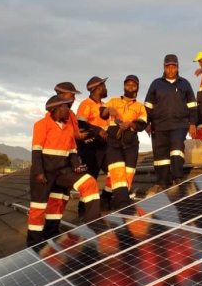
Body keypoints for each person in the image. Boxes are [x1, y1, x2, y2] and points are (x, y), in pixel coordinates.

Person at [27, 95, 101, 247]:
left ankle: (94, 224)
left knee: (89, 183)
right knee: (38, 208)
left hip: (63, 170)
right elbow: (36, 151)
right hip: (45, 171)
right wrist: (38, 172)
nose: (69, 110)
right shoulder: (41, 124)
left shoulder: (68, 127)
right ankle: (34, 243)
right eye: (66, 107)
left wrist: (76, 166)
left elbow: (73, 151)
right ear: (57, 109)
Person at [145, 54, 197, 194]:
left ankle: (177, 177)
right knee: (160, 155)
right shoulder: (156, 84)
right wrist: (147, 123)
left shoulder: (184, 84)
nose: (170, 69)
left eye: (173, 67)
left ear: (178, 67)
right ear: (164, 68)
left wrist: (192, 123)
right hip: (158, 125)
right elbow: (148, 105)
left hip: (179, 124)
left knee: (176, 149)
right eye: (168, 67)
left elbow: (192, 105)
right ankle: (162, 182)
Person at [100, 75, 148, 209]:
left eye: (133, 85)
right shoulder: (113, 101)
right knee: (117, 172)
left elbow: (142, 124)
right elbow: (101, 112)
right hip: (114, 142)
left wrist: (130, 124)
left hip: (131, 143)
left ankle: (107, 196)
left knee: (128, 173)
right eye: (128, 84)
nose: (130, 87)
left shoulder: (140, 107)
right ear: (124, 86)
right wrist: (108, 110)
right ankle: (122, 204)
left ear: (137, 87)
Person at [76, 76, 113, 206]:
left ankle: (106, 198)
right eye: (104, 87)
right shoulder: (86, 104)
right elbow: (80, 123)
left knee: (114, 172)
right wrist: (98, 131)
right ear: (98, 88)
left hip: (104, 146)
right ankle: (83, 208)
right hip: (90, 148)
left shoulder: (104, 106)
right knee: (90, 179)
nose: (106, 89)